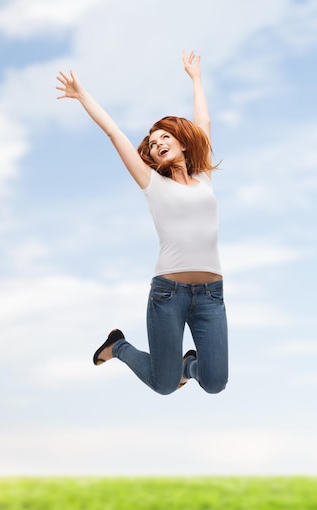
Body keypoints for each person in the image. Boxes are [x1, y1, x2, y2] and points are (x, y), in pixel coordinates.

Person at [56, 50, 228, 395]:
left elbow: (203, 123)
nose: (158, 143)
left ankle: (187, 365)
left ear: (181, 141)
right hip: (168, 293)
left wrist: (196, 79)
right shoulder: (153, 184)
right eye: (151, 144)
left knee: (214, 382)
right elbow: (113, 132)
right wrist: (81, 95)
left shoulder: (204, 177)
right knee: (164, 386)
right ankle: (117, 346)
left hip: (211, 294)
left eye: (164, 136)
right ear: (150, 158)